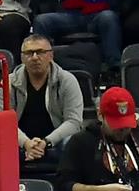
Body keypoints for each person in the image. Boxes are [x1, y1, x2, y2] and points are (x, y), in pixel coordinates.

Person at [9, 34, 83, 175]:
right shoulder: (9, 83)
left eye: (40, 52)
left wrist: (46, 142)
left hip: (55, 142)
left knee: (73, 141)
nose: (35, 57)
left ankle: (69, 183)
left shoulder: (67, 80)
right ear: (22, 58)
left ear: (51, 56)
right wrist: (26, 143)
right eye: (29, 53)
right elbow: (4, 124)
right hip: (20, 143)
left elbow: (74, 122)